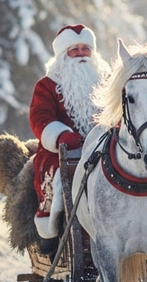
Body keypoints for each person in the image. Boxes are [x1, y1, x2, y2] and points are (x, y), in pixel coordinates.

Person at [29, 24, 109, 241]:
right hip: (62, 149)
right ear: (63, 55)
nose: (81, 54)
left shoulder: (107, 82)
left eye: (86, 48)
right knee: (56, 175)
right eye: (74, 50)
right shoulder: (47, 85)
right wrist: (61, 135)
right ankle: (54, 229)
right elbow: (39, 117)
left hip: (106, 146)